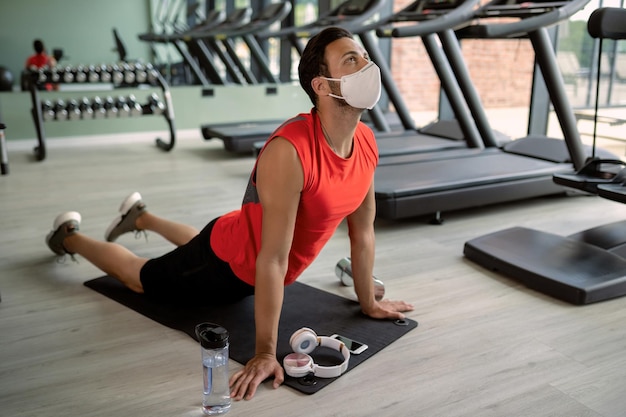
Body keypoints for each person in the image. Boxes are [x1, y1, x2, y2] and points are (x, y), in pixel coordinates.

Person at [45, 27, 414, 401]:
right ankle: (67, 236)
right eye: (352, 59)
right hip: (229, 264)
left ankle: (141, 217)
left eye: (364, 55)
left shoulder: (365, 141)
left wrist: (369, 302)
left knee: (202, 244)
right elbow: (271, 258)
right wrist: (265, 353)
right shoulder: (291, 151)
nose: (367, 64)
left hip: (233, 237)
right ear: (321, 85)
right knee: (140, 277)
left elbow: (363, 232)